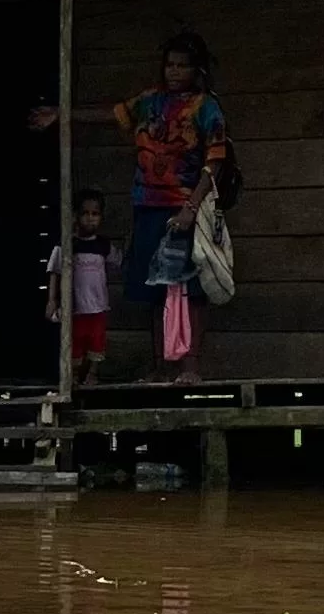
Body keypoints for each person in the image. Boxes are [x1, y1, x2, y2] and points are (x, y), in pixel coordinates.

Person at [116, 35, 231, 378]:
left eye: (182, 65)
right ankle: (161, 366)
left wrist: (190, 208)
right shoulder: (150, 101)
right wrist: (60, 114)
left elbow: (216, 162)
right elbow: (115, 114)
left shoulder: (205, 107)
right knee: (155, 288)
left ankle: (190, 366)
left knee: (191, 288)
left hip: (184, 207)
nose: (174, 71)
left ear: (197, 69)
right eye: (170, 64)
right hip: (148, 205)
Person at [45, 188, 114, 382]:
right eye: (85, 213)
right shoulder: (67, 244)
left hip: (98, 306)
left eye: (95, 214)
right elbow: (54, 271)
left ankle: (92, 374)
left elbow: (121, 262)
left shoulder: (103, 245)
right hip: (75, 307)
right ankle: (73, 377)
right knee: (75, 342)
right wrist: (52, 300)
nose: (90, 218)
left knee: (97, 342)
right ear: (75, 215)